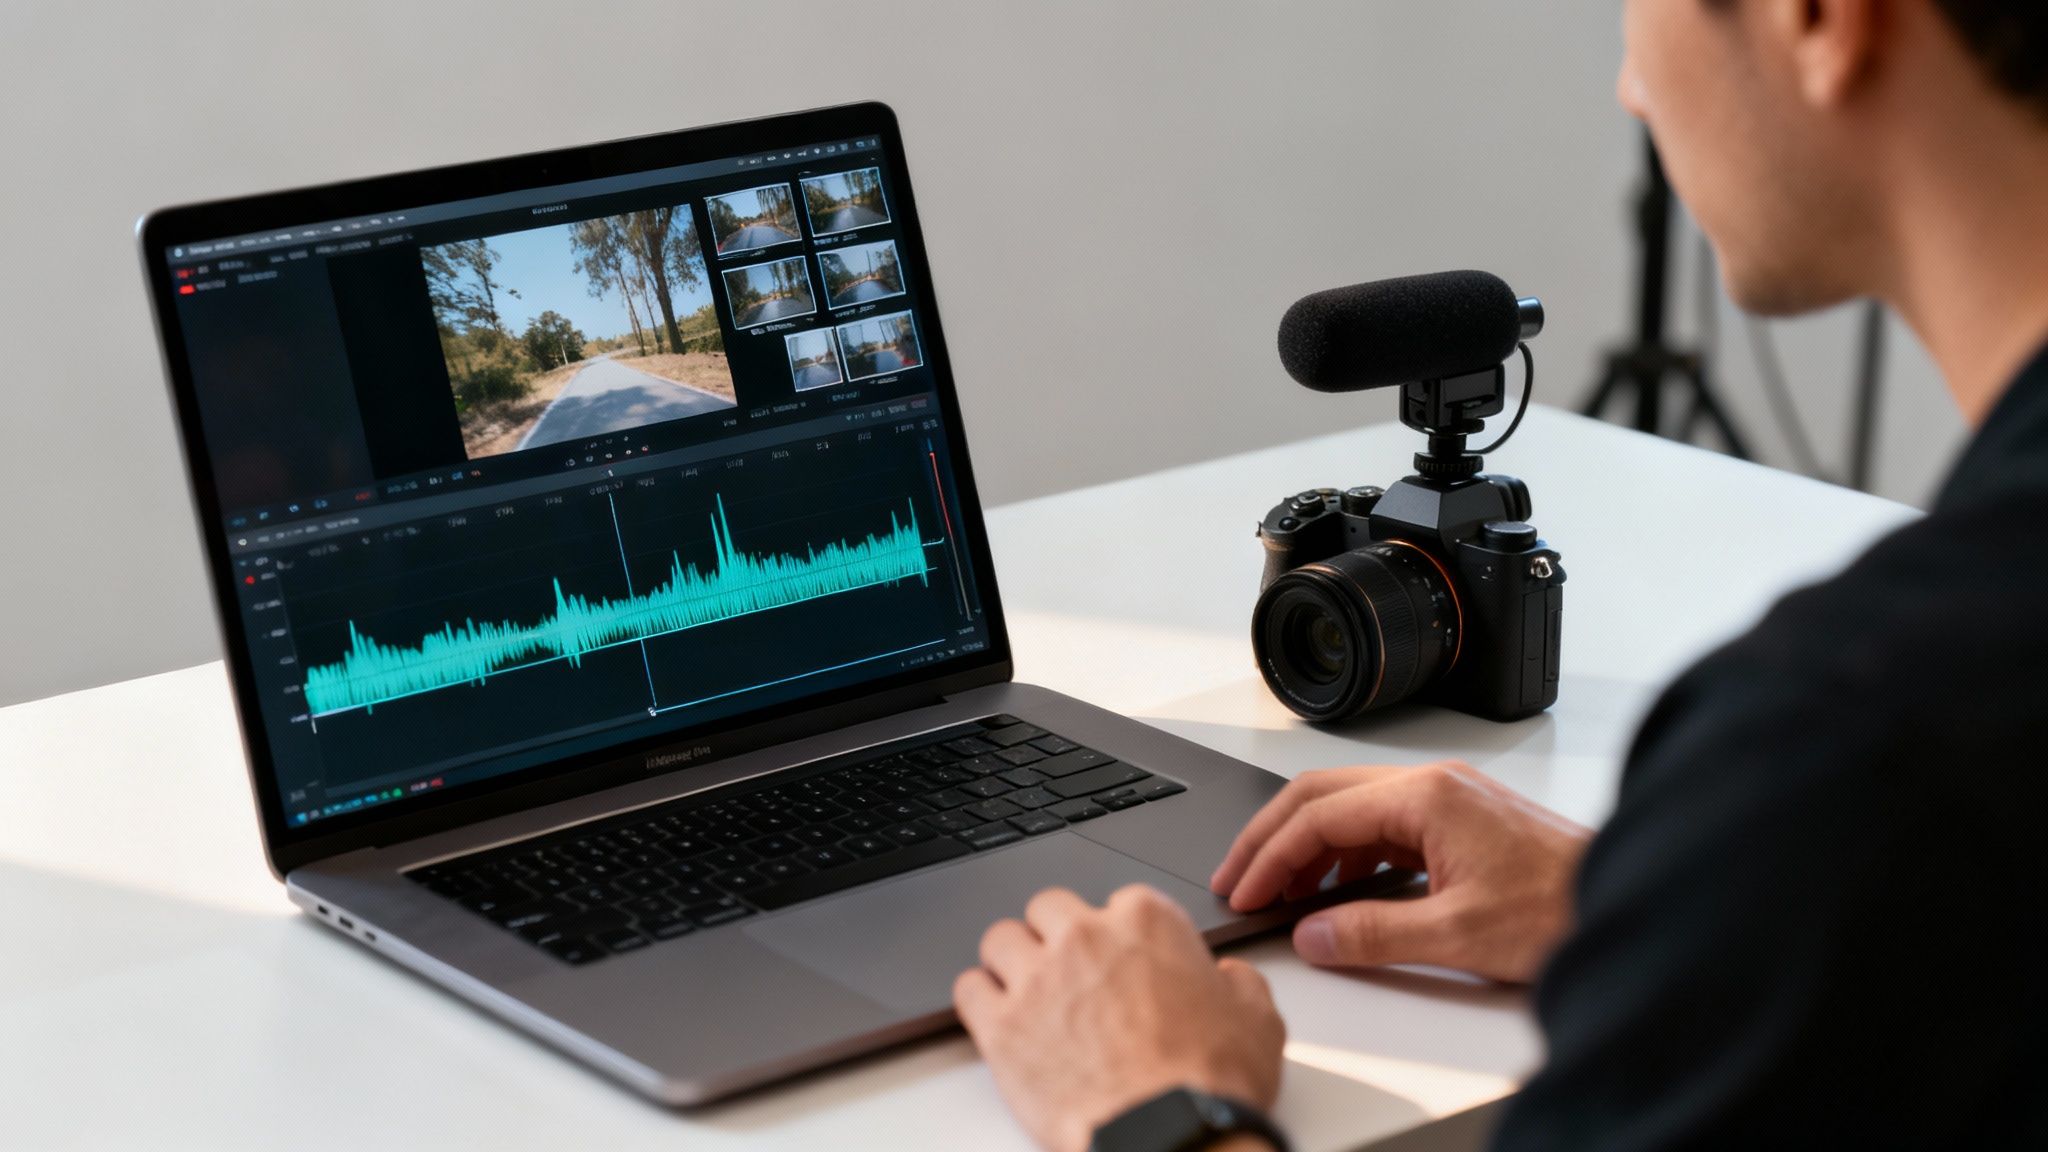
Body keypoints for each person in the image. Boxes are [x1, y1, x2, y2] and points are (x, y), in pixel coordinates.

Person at [952, 2, 2048, 1148]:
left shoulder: (1851, 748)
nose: (1630, 87)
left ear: (1817, 19)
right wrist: (1674, 911)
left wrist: (1161, 1107)